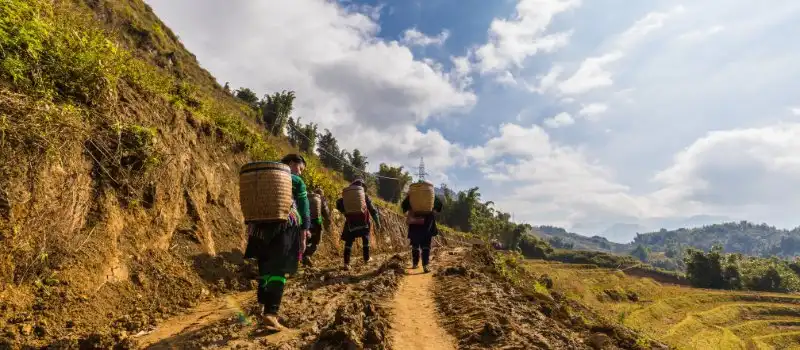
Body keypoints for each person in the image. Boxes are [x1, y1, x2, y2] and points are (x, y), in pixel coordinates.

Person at [243, 154, 310, 331]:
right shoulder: (295, 181)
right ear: (290, 164)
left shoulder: (259, 178)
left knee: (265, 267)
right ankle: (271, 314)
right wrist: (304, 232)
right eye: (300, 168)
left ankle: (261, 304)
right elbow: (303, 206)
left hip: (258, 229)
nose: (300, 173)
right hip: (284, 226)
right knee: (279, 268)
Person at [335, 179, 380, 270]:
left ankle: (346, 263)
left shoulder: (347, 197)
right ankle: (366, 259)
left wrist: (345, 212)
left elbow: (338, 203)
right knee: (365, 239)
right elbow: (373, 211)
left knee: (349, 242)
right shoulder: (365, 196)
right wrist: (378, 222)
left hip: (351, 223)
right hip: (363, 223)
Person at [401, 189, 443, 274]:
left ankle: (415, 263)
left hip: (414, 222)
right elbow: (439, 206)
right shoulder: (431, 194)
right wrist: (432, 209)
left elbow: (403, 206)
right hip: (427, 222)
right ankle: (425, 265)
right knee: (426, 245)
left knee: (415, 244)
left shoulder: (413, 195)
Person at [302, 188, 330, 267]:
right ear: (321, 194)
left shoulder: (306, 198)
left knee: (305, 241)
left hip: (305, 223)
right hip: (317, 223)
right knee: (316, 243)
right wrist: (327, 225)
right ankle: (307, 256)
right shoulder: (321, 199)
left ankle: (303, 258)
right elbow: (326, 213)